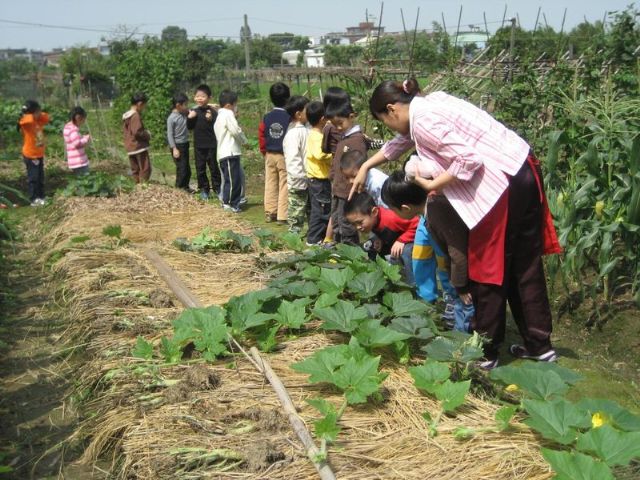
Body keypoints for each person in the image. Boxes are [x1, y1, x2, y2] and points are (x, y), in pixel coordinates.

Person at [351, 78, 562, 368]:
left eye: (385, 121)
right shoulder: (431, 103)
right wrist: (366, 165)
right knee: (524, 265)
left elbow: (468, 160)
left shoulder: (422, 120)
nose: (390, 128)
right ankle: (540, 346)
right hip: (521, 169)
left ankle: (485, 353)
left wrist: (430, 183)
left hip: (499, 186)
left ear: (391, 110)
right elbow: (400, 143)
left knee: (487, 266)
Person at [382, 170, 475, 333]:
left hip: (464, 275)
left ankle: (464, 346)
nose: (391, 213)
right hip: (458, 272)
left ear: (405, 208)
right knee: (461, 305)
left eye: (392, 209)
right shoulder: (430, 209)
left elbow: (457, 254)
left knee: (465, 305)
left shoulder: (437, 215)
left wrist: (461, 286)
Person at [344, 191, 417, 285]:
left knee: (406, 252)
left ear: (374, 212)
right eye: (354, 224)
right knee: (371, 247)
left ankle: (413, 284)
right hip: (395, 239)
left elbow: (416, 223)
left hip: (412, 241)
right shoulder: (372, 221)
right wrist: (378, 238)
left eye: (360, 222)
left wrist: (402, 240)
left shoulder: (391, 218)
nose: (358, 227)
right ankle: (378, 280)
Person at [325, 96, 367, 245]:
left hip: (348, 192)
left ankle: (351, 255)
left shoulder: (357, 140)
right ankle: (338, 251)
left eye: (340, 123)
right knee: (336, 222)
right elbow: (337, 163)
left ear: (351, 117)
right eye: (335, 125)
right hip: (338, 190)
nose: (338, 128)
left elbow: (359, 167)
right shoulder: (344, 138)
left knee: (347, 226)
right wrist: (332, 176)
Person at [259, 82, 291, 223]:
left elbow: (262, 134)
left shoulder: (267, 117)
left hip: (269, 154)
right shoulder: (289, 117)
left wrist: (263, 151)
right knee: (284, 184)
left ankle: (270, 212)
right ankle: (282, 215)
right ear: (288, 98)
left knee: (270, 183)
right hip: (283, 155)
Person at [214, 90, 247, 213]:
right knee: (232, 180)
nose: (236, 107)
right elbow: (235, 130)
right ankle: (229, 203)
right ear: (229, 105)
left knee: (233, 178)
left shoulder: (220, 115)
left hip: (226, 153)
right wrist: (244, 140)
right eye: (235, 104)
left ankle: (233, 202)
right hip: (229, 153)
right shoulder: (227, 114)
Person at [305, 101, 333, 244]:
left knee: (320, 208)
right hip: (319, 180)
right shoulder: (317, 137)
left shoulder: (315, 134)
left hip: (317, 179)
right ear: (323, 119)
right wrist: (334, 154)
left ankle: (316, 237)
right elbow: (320, 155)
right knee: (321, 210)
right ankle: (314, 239)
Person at [187, 84, 220, 200]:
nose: (200, 98)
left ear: (209, 98)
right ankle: (204, 190)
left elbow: (218, 125)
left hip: (211, 144)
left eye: (203, 96)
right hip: (199, 145)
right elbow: (189, 127)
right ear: (194, 97)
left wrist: (211, 119)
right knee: (200, 168)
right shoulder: (193, 111)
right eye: (197, 96)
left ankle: (217, 189)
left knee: (214, 167)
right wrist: (190, 118)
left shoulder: (212, 111)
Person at [283, 95, 310, 234]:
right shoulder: (294, 133)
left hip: (306, 179)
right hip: (299, 181)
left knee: (308, 213)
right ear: (299, 114)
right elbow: (293, 159)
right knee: (296, 216)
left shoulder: (304, 130)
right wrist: (300, 177)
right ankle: (294, 241)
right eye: (307, 110)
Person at [18, 100, 49, 205]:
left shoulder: (37, 121)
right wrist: (28, 112)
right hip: (31, 155)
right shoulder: (26, 123)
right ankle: (33, 199)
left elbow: (46, 117)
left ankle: (41, 196)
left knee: (40, 177)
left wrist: (38, 113)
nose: (40, 113)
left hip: (38, 154)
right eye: (37, 111)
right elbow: (26, 119)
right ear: (31, 113)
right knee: (33, 178)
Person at [122, 92, 151, 183]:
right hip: (138, 146)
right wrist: (147, 134)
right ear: (139, 104)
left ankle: (136, 185)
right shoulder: (135, 115)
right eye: (144, 105)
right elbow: (137, 132)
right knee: (145, 168)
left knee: (135, 169)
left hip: (130, 146)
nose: (144, 108)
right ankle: (143, 187)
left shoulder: (127, 116)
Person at [166, 93, 192, 192]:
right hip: (177, 146)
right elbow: (169, 134)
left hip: (185, 144)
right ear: (178, 105)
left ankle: (185, 187)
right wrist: (174, 148)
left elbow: (195, 108)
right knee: (182, 169)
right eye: (185, 104)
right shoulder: (172, 118)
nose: (187, 106)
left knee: (187, 169)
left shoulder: (184, 113)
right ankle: (179, 189)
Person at [63, 106, 91, 176]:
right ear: (78, 118)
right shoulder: (73, 129)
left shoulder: (67, 126)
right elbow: (77, 143)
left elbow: (74, 140)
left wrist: (82, 137)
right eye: (83, 120)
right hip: (79, 161)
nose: (83, 122)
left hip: (74, 161)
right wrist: (86, 139)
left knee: (79, 180)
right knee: (85, 178)